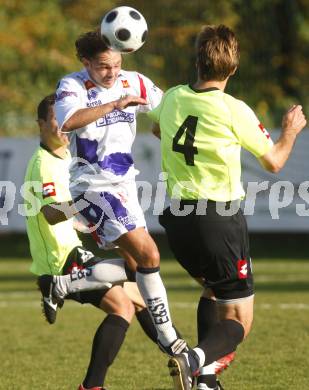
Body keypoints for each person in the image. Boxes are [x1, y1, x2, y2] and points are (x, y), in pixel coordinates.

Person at [148, 24, 307, 390]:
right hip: (217, 219)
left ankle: (205, 382)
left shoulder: (172, 97)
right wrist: (291, 130)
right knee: (238, 320)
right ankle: (194, 360)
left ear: (198, 61)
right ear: (233, 68)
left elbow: (158, 129)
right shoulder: (234, 109)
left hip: (178, 220)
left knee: (213, 291)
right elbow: (274, 162)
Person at [53, 29, 188, 356]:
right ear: (85, 63)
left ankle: (68, 282)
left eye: (116, 64)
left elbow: (167, 109)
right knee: (150, 255)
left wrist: (162, 124)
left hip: (125, 184)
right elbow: (68, 121)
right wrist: (115, 104)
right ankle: (170, 338)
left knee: (134, 266)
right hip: (92, 185)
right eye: (102, 67)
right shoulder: (71, 86)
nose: (112, 72)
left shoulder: (135, 81)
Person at [24, 94, 162, 390]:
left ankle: (178, 355)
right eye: (55, 120)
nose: (62, 126)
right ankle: (94, 384)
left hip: (73, 249)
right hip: (59, 259)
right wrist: (88, 202)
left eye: (66, 119)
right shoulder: (44, 164)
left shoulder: (69, 158)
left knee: (139, 293)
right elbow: (50, 213)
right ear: (40, 125)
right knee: (125, 304)